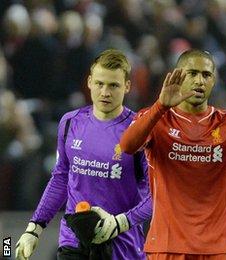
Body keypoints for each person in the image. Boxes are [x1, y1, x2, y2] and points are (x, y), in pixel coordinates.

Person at [120, 49, 226, 260]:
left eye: (206, 75)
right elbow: (127, 146)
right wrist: (160, 107)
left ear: (213, 81)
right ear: (178, 76)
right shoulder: (156, 119)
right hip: (167, 247)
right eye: (192, 73)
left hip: (215, 250)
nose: (199, 81)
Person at [15, 49, 152, 260]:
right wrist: (34, 228)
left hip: (122, 248)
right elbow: (60, 178)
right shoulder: (71, 123)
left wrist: (119, 223)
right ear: (89, 82)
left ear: (127, 86)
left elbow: (157, 196)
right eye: (99, 83)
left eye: (113, 85)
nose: (105, 92)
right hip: (74, 243)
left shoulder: (141, 131)